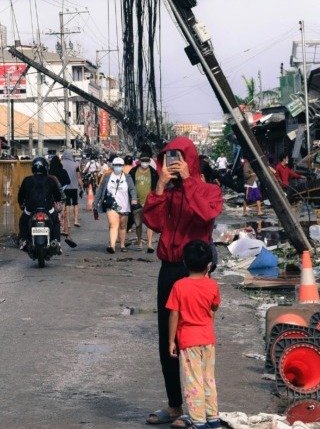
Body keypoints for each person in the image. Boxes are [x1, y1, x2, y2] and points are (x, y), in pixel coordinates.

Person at [142, 137, 223, 426]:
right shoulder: (169, 192)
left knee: (194, 341)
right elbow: (152, 222)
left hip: (195, 274)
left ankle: (198, 410)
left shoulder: (208, 189)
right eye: (167, 157)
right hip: (169, 270)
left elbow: (207, 214)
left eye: (177, 157)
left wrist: (189, 182)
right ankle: (175, 405)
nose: (173, 162)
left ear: (190, 159)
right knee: (169, 340)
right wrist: (161, 186)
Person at [167, 240, 221, 429]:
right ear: (208, 265)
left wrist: (171, 340)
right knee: (208, 379)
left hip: (188, 340)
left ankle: (198, 421)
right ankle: (212, 417)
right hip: (207, 338)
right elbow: (214, 306)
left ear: (184, 263)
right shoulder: (212, 285)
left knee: (193, 381)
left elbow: (174, 314)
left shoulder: (179, 286)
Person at [18, 156, 69, 249]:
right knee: (56, 222)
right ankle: (56, 241)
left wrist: (21, 204)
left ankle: (24, 240)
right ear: (46, 168)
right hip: (47, 209)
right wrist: (57, 201)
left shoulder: (27, 180)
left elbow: (21, 195)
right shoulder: (50, 180)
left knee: (23, 221)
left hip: (31, 208)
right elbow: (57, 196)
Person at [93, 157, 137, 254]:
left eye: (120, 165)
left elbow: (132, 189)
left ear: (123, 166)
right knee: (113, 225)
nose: (118, 167)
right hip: (111, 204)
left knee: (122, 226)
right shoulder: (107, 177)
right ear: (113, 166)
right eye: (116, 165)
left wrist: (134, 199)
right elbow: (100, 190)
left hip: (124, 205)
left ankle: (122, 244)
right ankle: (112, 246)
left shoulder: (127, 177)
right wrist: (95, 203)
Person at [129, 153, 159, 253]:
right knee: (138, 223)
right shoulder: (133, 172)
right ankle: (139, 241)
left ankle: (150, 244)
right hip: (136, 201)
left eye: (147, 161)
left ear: (149, 162)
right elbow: (129, 185)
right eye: (143, 161)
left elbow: (157, 186)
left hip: (150, 202)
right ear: (139, 161)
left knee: (150, 224)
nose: (144, 163)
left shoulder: (153, 172)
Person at [49, 155, 71, 237]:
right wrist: (62, 188)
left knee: (52, 211)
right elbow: (68, 181)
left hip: (52, 195)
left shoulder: (49, 172)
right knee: (61, 212)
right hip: (62, 194)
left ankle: (54, 227)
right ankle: (61, 228)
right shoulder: (63, 171)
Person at [61, 150, 83, 230]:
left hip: (65, 187)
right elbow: (79, 177)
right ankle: (76, 221)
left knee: (67, 205)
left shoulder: (61, 164)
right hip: (74, 187)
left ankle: (68, 223)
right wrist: (81, 186)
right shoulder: (76, 164)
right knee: (75, 203)